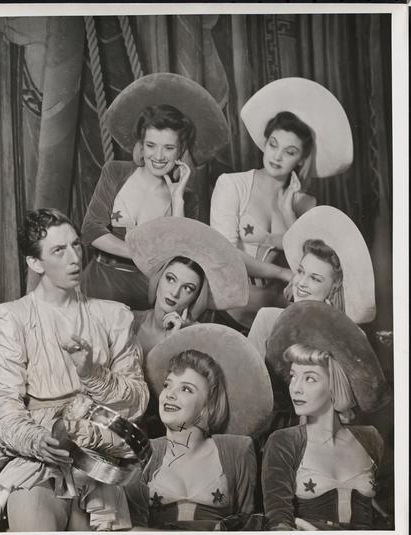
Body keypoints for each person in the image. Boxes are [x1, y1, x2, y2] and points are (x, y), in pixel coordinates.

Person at [0, 208, 148, 532]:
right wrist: (38, 440)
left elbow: (137, 402)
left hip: (100, 462)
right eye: (59, 250)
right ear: (35, 263)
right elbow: (1, 407)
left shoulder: (113, 317)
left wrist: (91, 373)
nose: (74, 258)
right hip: (35, 464)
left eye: (76, 245)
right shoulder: (11, 319)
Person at [210, 77, 353, 329]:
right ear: (265, 143)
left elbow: (312, 263)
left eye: (289, 152)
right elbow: (224, 254)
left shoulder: (306, 203)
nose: (277, 156)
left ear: (301, 159)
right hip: (231, 308)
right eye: (273, 145)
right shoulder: (231, 185)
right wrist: (282, 273)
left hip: (281, 312)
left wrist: (288, 212)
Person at [81, 73, 230, 310]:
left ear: (180, 150)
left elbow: (180, 259)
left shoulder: (188, 199)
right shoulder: (115, 172)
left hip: (147, 293)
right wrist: (141, 255)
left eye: (168, 148)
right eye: (151, 145)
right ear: (141, 144)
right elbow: (91, 230)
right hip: (98, 283)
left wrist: (177, 199)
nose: (158, 156)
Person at [124, 324, 274, 531]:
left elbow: (247, 527)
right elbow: (129, 533)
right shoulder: (143, 452)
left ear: (208, 407)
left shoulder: (238, 451)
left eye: (186, 389)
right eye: (167, 385)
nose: (170, 394)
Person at [262, 301, 391, 530]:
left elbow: (393, 518)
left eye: (310, 378)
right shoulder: (284, 442)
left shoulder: (370, 439)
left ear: (335, 385)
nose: (296, 388)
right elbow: (277, 520)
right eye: (293, 376)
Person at [248, 205, 376, 362]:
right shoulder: (267, 319)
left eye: (315, 278)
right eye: (300, 271)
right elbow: (248, 374)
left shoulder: (352, 335)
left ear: (334, 286)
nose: (301, 283)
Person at [125, 216, 249, 357]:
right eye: (171, 279)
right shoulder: (129, 319)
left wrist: (173, 342)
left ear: (196, 297)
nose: (175, 293)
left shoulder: (199, 337)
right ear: (158, 278)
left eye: (188, 288)